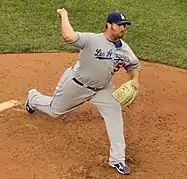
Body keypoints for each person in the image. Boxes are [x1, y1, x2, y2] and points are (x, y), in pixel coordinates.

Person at [25, 8, 141, 175]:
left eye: (125, 25)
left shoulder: (124, 49)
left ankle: (117, 159)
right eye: (119, 25)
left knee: (115, 115)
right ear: (109, 25)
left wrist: (134, 80)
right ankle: (33, 97)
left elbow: (134, 66)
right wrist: (64, 15)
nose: (123, 28)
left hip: (102, 89)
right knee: (55, 111)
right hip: (76, 84)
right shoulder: (92, 40)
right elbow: (68, 36)